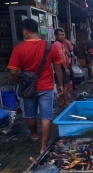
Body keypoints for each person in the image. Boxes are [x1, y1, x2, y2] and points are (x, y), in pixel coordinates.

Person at [7, 19, 63, 154]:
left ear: (25, 32)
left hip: (28, 88)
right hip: (46, 86)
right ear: (37, 30)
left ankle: (34, 135)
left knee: (30, 114)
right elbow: (58, 68)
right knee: (46, 116)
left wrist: (19, 81)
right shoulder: (50, 47)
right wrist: (60, 84)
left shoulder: (19, 49)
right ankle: (43, 146)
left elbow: (13, 71)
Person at [54, 28, 71, 108]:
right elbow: (61, 57)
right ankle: (66, 102)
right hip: (62, 68)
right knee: (65, 85)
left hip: (61, 68)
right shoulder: (57, 44)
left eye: (63, 34)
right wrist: (66, 68)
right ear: (56, 36)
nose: (62, 36)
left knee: (61, 85)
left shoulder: (60, 44)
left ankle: (61, 101)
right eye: (60, 35)